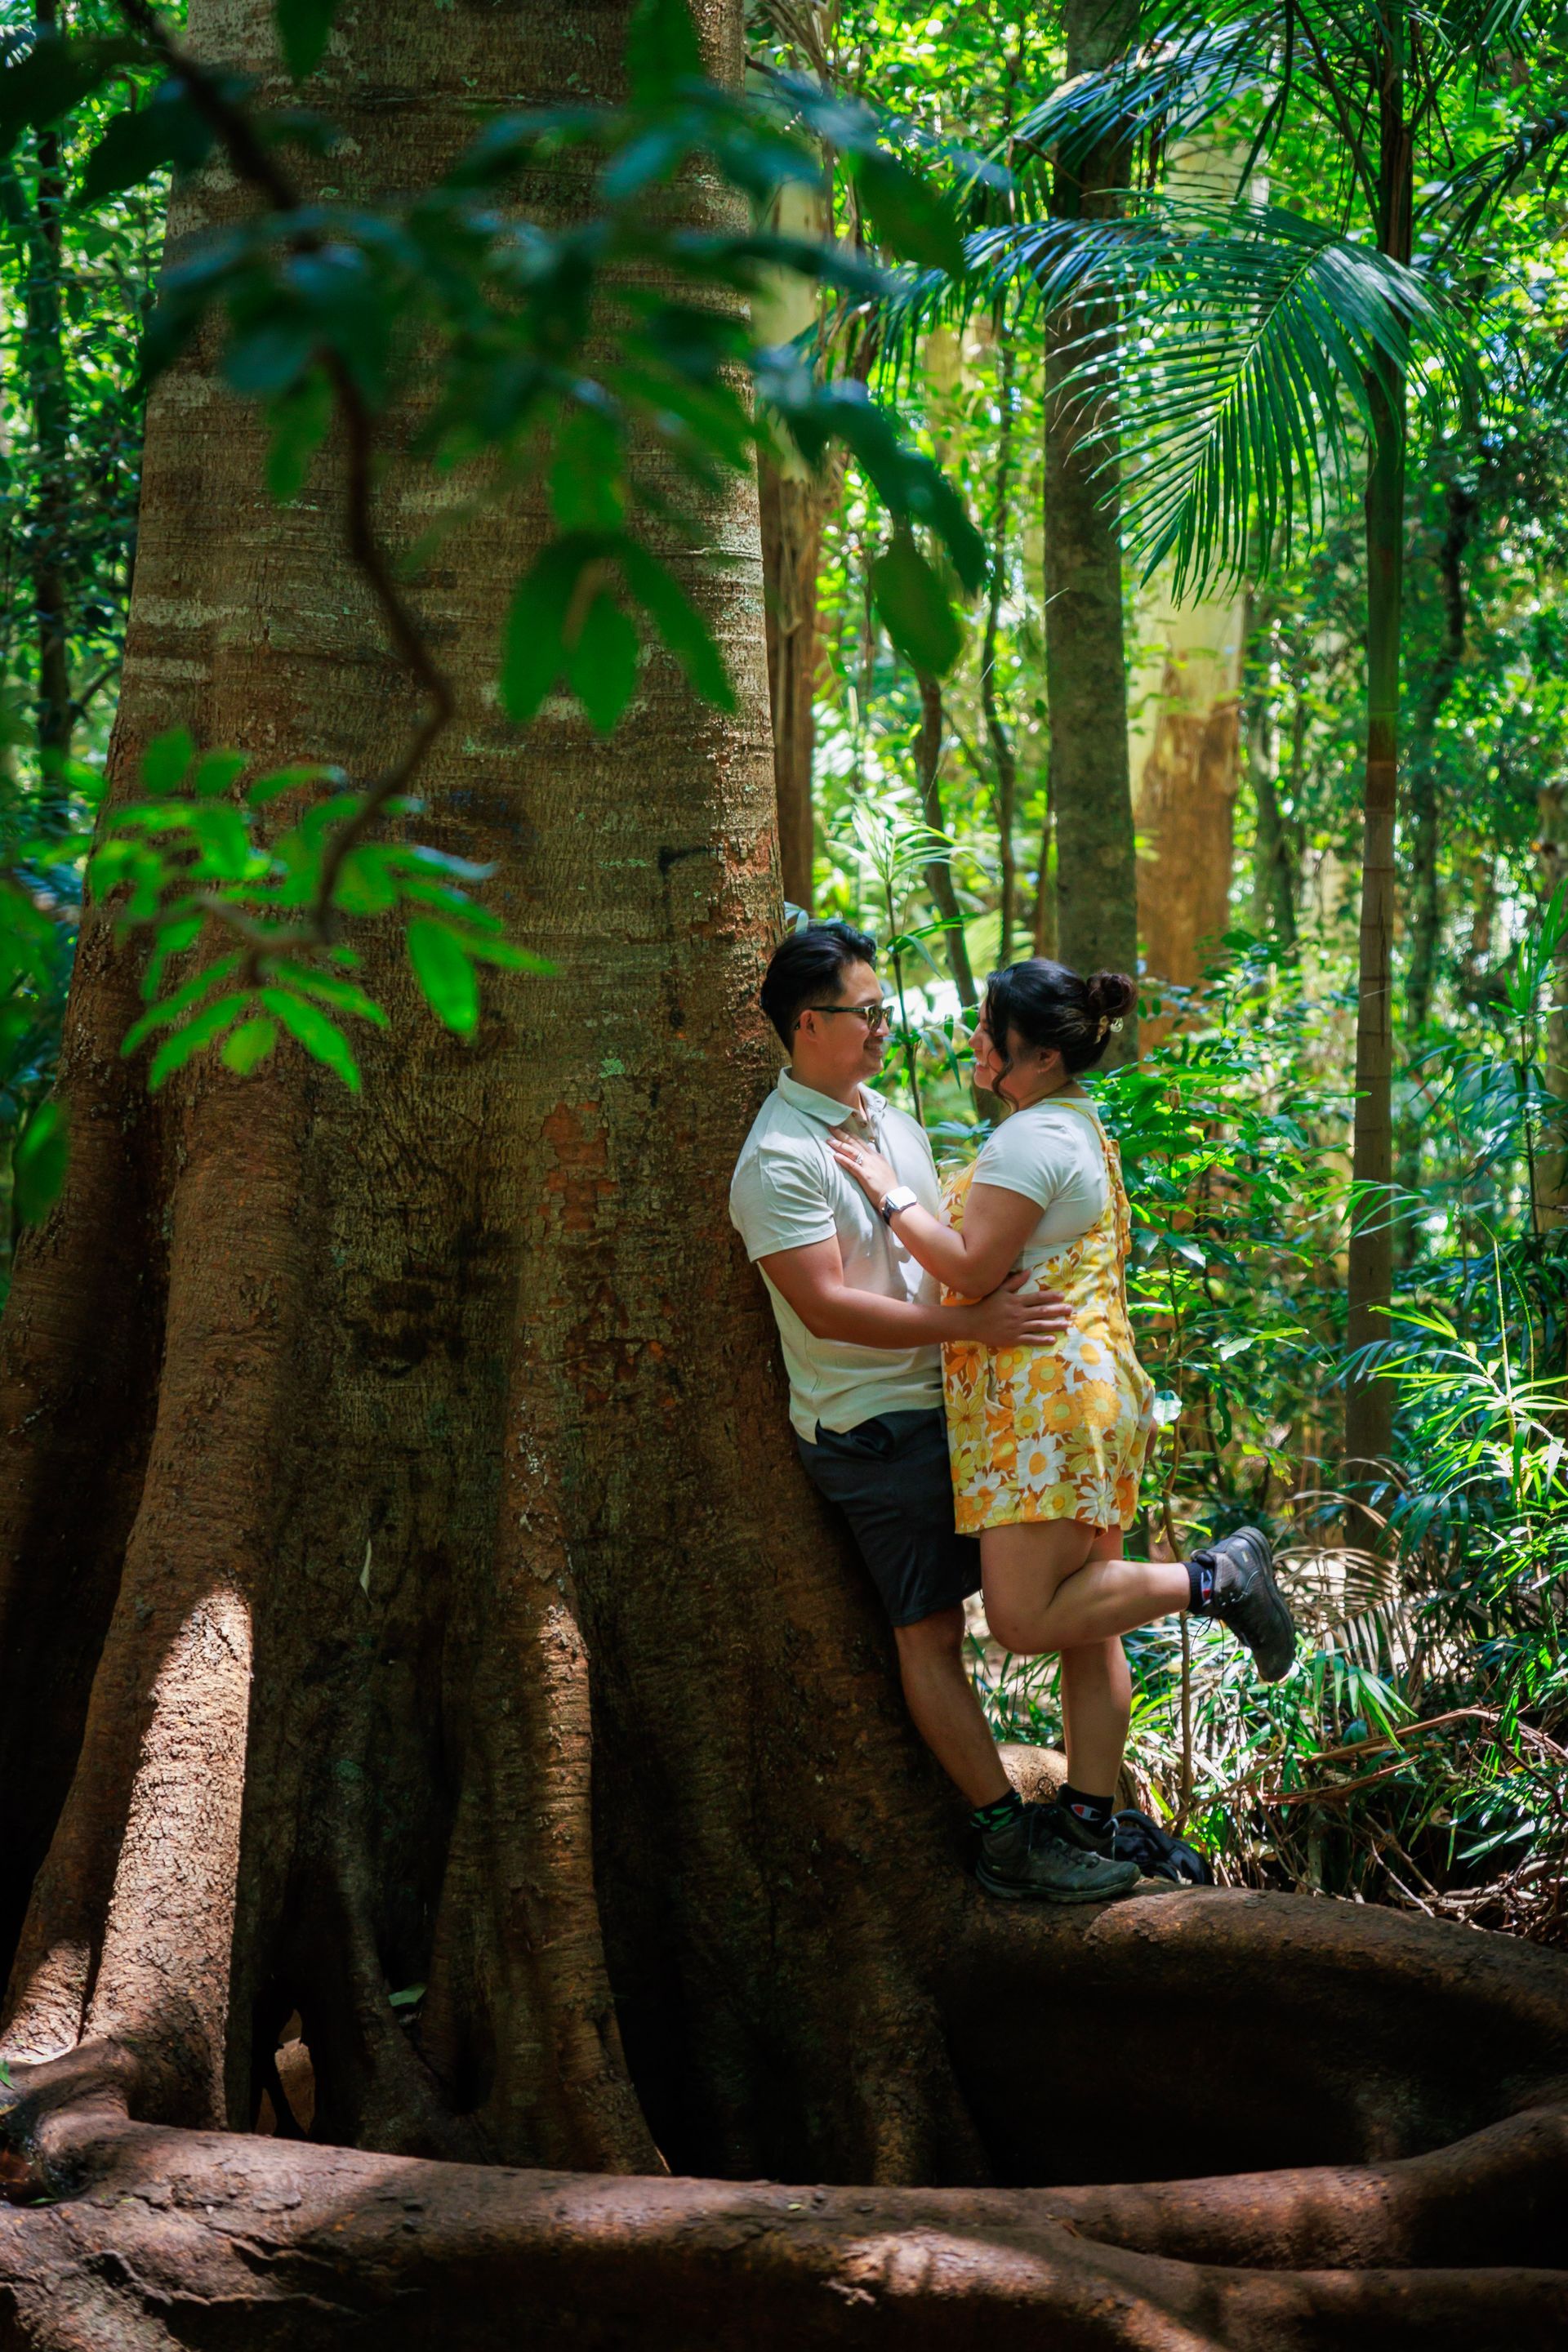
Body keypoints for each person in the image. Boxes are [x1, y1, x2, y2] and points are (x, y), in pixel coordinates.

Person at [829, 956, 1297, 1894]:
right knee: (1092, 1624)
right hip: (1092, 1394)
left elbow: (965, 1266)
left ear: (1035, 1056)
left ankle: (1217, 1576)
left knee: (1023, 1617)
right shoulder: (1072, 1120)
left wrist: (887, 1188)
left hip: (1042, 1409)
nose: (972, 1041)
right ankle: (1091, 1818)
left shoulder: (1030, 1142)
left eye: (987, 1031)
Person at [730, 921, 1140, 1903]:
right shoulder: (781, 1156)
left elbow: (955, 1247)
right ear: (805, 1024)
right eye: (864, 1014)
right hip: (880, 1426)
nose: (883, 1027)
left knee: (1077, 1610)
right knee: (934, 1634)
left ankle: (1091, 1823)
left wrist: (977, 1328)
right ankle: (1007, 1835)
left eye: (882, 1010)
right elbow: (825, 1305)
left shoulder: (886, 1122)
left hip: (973, 1410)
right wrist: (969, 1330)